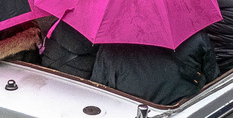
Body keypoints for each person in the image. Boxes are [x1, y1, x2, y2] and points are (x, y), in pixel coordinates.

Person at [91, 30, 219, 106]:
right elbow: (214, 80)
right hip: (183, 111)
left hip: (130, 117)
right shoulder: (196, 35)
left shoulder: (110, 44)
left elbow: (98, 90)